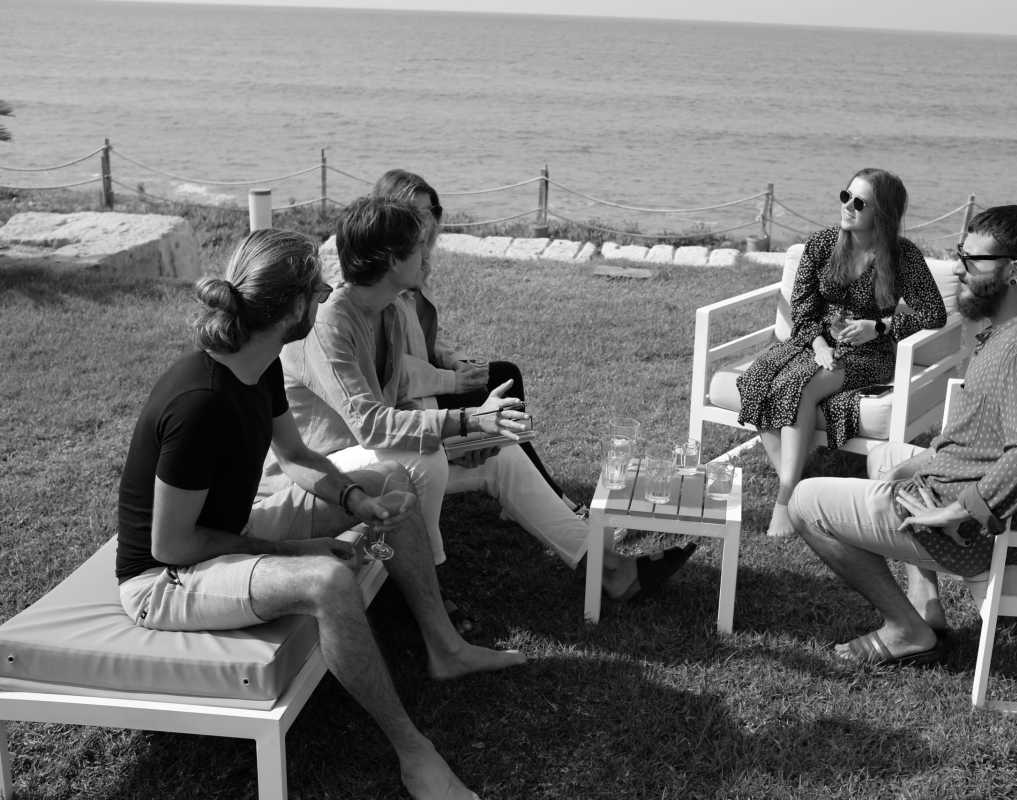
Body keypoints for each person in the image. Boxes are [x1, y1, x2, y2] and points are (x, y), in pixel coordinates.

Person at [116, 229, 524, 800]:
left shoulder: (258, 367)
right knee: (327, 582)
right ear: (290, 309)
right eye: (316, 288)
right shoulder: (200, 404)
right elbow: (171, 546)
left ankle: (445, 647)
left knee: (390, 482)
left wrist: (358, 502)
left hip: (228, 533)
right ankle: (415, 756)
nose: (328, 292)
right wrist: (293, 551)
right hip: (164, 581)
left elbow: (297, 456)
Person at [260, 196, 696, 609]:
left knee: (502, 456)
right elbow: (370, 425)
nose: (426, 256)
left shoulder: (387, 312)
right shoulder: (331, 323)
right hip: (319, 474)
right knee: (426, 460)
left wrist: (466, 440)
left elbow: (397, 406)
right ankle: (427, 594)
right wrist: (467, 421)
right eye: (418, 246)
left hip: (367, 459)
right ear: (392, 260)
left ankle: (608, 569)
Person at [786, 205, 1017, 667]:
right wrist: (929, 460)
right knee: (887, 459)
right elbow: (997, 439)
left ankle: (906, 629)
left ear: (1014, 272)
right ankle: (925, 602)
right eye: (959, 254)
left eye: (972, 260)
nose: (959, 269)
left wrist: (964, 511)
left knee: (804, 503)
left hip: (979, 529)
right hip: (973, 492)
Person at [737, 168, 947, 538]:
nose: (848, 206)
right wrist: (818, 345)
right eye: (845, 196)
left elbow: (934, 313)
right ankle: (801, 492)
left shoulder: (902, 255)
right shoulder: (822, 243)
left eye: (859, 202)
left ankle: (785, 501)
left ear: (882, 213)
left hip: (869, 353)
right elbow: (803, 308)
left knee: (794, 385)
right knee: (756, 380)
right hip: (812, 341)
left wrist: (879, 326)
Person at [370, 168, 587, 515]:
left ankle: (531, 488)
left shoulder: (416, 267)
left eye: (430, 212)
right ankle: (550, 499)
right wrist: (454, 381)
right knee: (494, 394)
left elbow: (426, 337)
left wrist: (456, 361)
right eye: (415, 213)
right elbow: (395, 369)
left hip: (426, 386)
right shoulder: (385, 282)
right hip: (408, 403)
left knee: (503, 376)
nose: (426, 222)